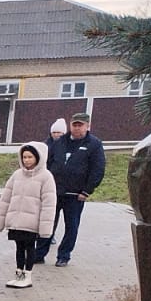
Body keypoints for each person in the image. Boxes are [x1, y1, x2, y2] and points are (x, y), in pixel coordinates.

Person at [35, 112, 106, 267]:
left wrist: (87, 190)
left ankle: (64, 255)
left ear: (88, 126)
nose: (77, 128)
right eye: (74, 124)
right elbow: (47, 163)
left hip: (75, 194)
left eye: (80, 125)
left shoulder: (94, 144)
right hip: (54, 192)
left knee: (71, 226)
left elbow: (97, 169)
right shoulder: (60, 142)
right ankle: (39, 253)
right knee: (47, 223)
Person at [0, 141, 57, 289]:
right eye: (24, 157)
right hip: (16, 221)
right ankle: (18, 273)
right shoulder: (17, 175)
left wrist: (45, 228)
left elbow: (49, 204)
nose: (27, 160)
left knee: (29, 247)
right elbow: (6, 199)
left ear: (38, 158)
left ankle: (28, 275)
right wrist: (0, 221)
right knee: (19, 247)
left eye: (30, 157)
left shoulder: (46, 177)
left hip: (32, 222)